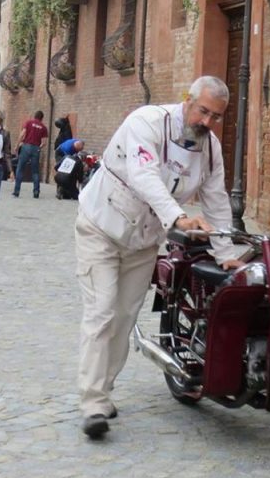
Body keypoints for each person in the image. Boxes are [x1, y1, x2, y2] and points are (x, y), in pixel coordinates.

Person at [75, 76, 245, 439]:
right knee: (102, 313)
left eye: (216, 117)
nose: (207, 122)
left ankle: (103, 390)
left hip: (144, 242)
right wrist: (178, 217)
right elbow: (144, 175)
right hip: (101, 227)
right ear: (187, 99)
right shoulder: (147, 122)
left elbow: (216, 200)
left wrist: (227, 253)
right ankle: (91, 403)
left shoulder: (211, 149)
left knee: (123, 318)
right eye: (203, 111)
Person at [13, 110, 48, 198]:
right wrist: (38, 148)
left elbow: (22, 134)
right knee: (35, 171)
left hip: (26, 147)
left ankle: (16, 191)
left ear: (34, 116)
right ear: (42, 118)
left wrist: (17, 146)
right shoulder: (44, 127)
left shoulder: (28, 122)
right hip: (36, 148)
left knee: (20, 168)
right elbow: (44, 142)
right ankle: (36, 192)